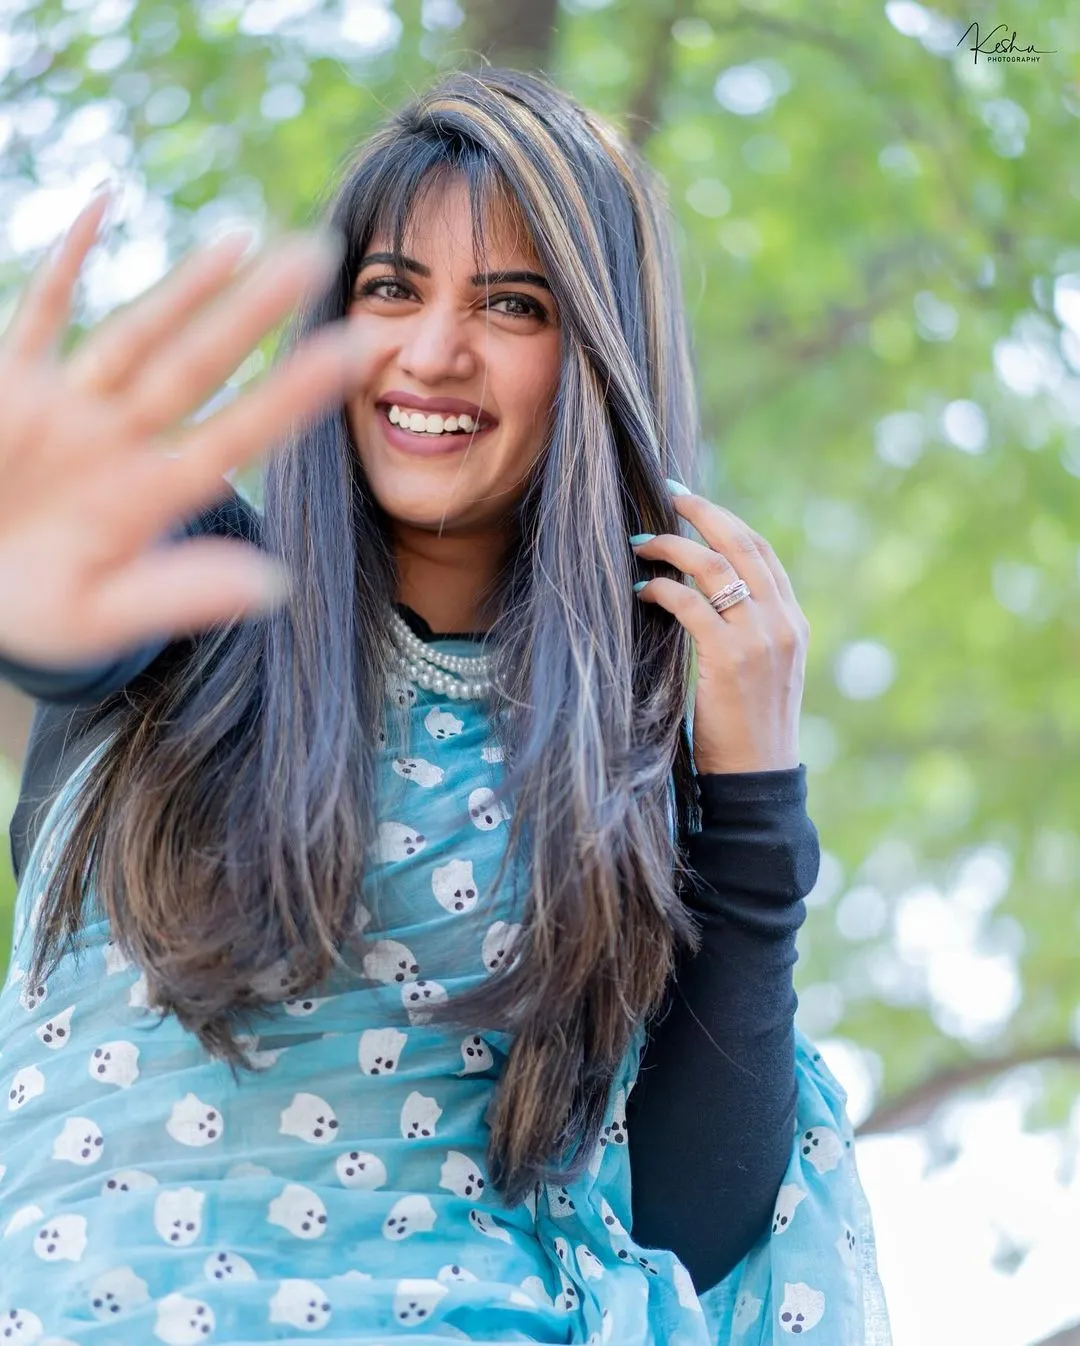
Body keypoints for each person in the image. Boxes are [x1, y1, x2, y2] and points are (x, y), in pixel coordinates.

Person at [0, 68, 892, 1345]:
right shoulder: (197, 578)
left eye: (509, 302)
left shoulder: (631, 780)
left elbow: (693, 1231)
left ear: (589, 352)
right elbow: (64, 614)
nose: (431, 352)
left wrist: (752, 809)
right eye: (390, 289)